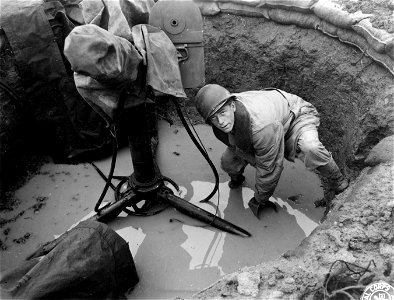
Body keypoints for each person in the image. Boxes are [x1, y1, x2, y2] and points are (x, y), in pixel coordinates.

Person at [194, 84, 349, 219]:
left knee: (310, 148)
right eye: (214, 118)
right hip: (267, 123)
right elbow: (236, 147)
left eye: (222, 113)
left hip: (295, 118)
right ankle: (237, 179)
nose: (220, 122)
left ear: (233, 106)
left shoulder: (261, 127)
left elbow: (270, 168)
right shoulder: (224, 119)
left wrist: (260, 198)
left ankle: (338, 182)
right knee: (228, 162)